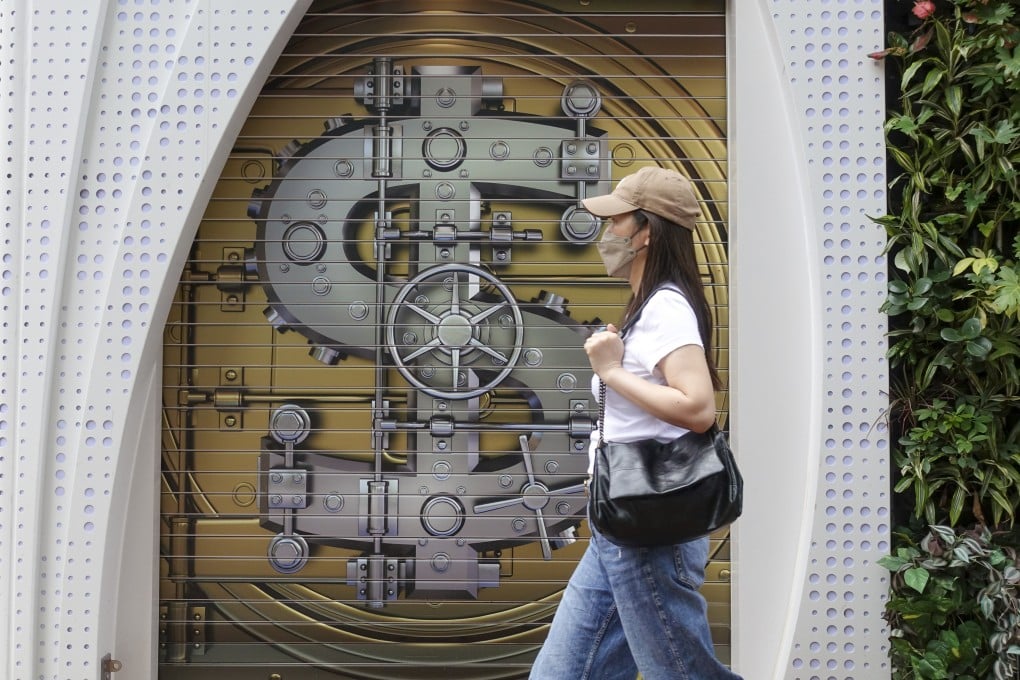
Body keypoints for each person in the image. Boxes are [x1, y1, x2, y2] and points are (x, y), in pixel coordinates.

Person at [529, 166, 742, 680]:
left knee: (680, 672)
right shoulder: (649, 308)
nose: (607, 234)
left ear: (646, 231)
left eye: (617, 220)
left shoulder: (667, 306)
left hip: (650, 525)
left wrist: (610, 371)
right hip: (622, 523)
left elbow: (697, 408)